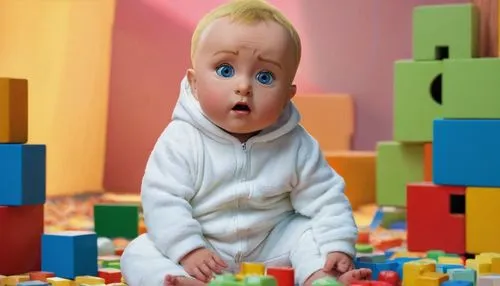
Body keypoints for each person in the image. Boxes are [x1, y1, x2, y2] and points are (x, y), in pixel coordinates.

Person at [120, 0, 372, 285]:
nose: (244, 86)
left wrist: (337, 244)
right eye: (225, 70)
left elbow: (326, 198)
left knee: (310, 231)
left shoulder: (297, 144)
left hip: (274, 249)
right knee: (139, 251)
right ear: (194, 83)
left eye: (265, 76)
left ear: (288, 95)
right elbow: (163, 200)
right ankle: (183, 281)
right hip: (206, 250)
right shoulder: (181, 140)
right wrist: (189, 249)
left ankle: (321, 276)